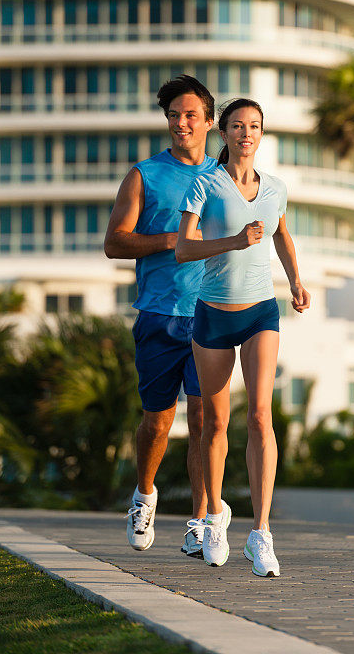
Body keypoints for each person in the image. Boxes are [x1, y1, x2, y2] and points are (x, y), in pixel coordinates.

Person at [176, 98, 310, 577]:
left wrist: (294, 279)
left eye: (254, 126)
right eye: (237, 126)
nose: (246, 134)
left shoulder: (275, 189)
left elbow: (280, 235)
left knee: (259, 416)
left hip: (260, 312)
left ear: (260, 133)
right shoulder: (205, 184)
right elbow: (182, 249)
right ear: (225, 133)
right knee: (215, 423)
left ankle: (262, 534)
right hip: (212, 314)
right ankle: (215, 518)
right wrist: (234, 241)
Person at [104, 74, 216, 557]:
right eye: (174, 115)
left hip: (212, 313)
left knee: (205, 418)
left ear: (210, 121)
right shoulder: (144, 175)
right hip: (159, 313)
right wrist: (172, 240)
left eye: (191, 115)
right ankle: (144, 496)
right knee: (158, 422)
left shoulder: (227, 176)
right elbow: (114, 242)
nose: (181, 123)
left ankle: (197, 520)